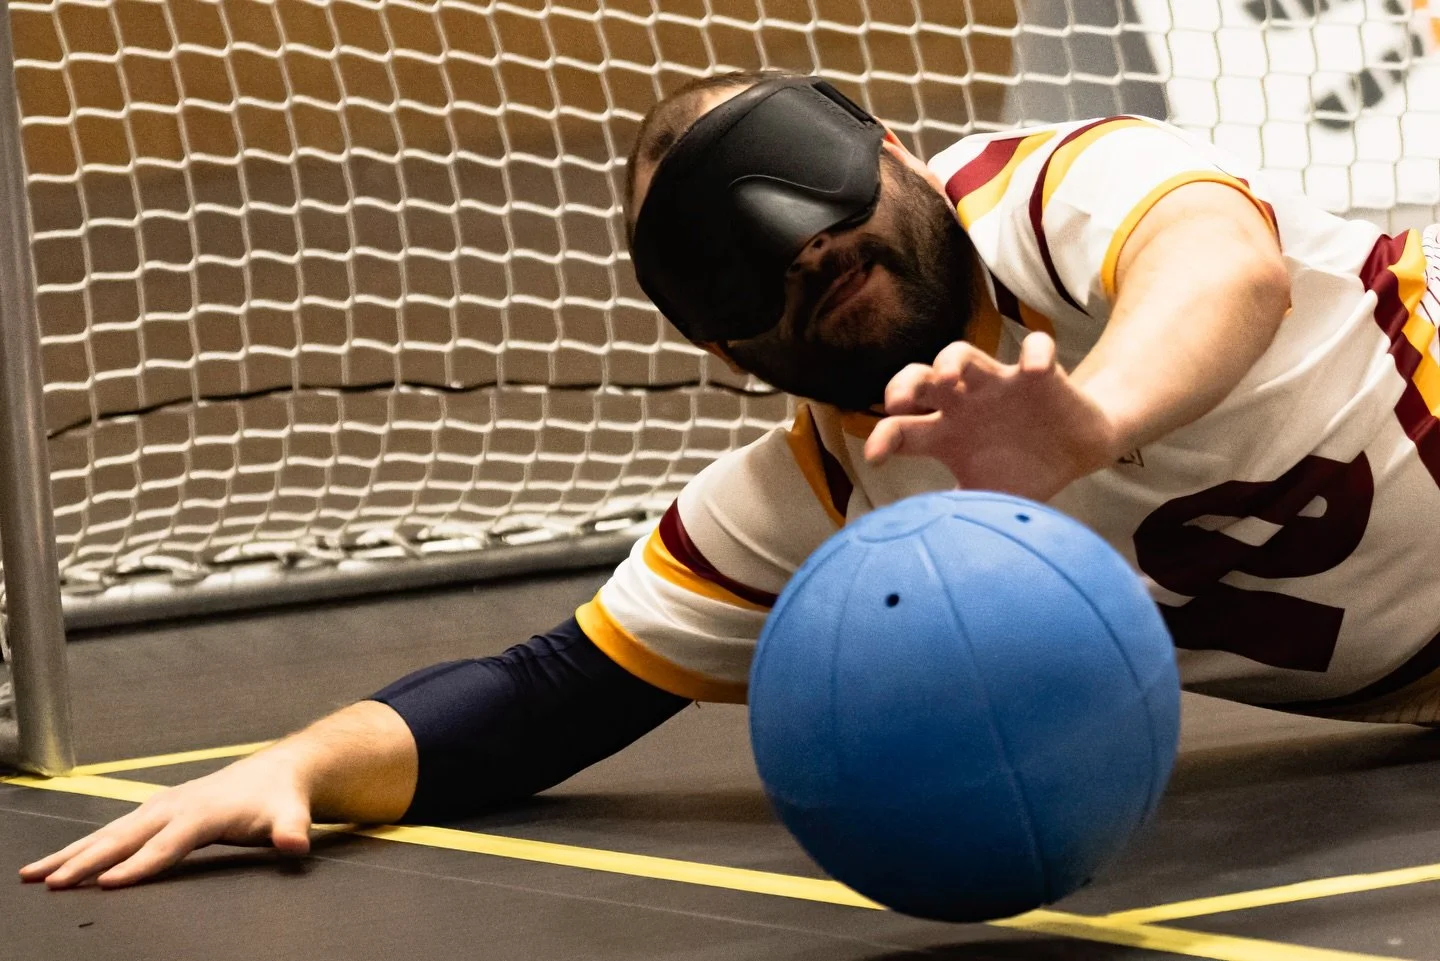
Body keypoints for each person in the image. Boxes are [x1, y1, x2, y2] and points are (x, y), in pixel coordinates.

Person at [21, 70, 1440, 890]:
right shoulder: (821, 495)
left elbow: (1225, 271)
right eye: (734, 262)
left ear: (897, 153)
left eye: (806, 178)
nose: (805, 247)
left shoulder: (1050, 193)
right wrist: (298, 764)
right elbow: (546, 696)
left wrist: (1085, 422)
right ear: (721, 348)